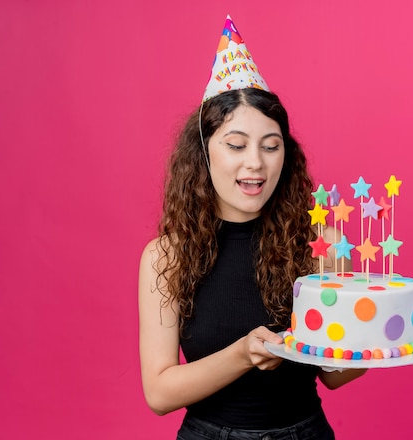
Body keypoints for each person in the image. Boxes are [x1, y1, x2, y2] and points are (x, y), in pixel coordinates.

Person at [138, 16, 367, 439]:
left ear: (286, 154)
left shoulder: (322, 245)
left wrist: (380, 337)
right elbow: (159, 392)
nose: (256, 163)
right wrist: (243, 354)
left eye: (271, 145)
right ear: (204, 154)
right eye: (236, 145)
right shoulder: (165, 257)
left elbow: (335, 374)